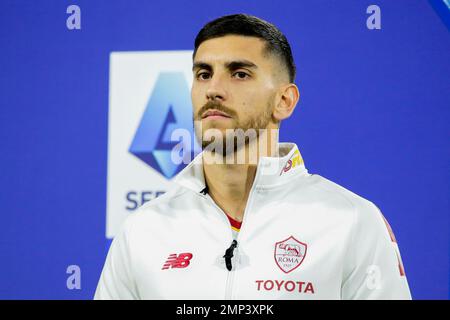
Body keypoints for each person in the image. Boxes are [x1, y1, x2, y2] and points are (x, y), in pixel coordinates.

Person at [94, 13, 412, 300]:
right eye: (203, 74)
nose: (213, 89)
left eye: (240, 73)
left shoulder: (352, 221)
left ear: (284, 101)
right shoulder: (143, 230)